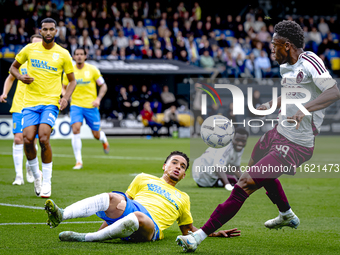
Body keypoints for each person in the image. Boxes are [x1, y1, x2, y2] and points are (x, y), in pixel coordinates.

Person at [176, 20, 340, 252]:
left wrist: (305, 110)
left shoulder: (310, 61)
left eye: (274, 45)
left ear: (287, 45)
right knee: (253, 169)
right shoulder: (286, 68)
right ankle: (286, 214)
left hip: (297, 144)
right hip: (278, 133)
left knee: (244, 184)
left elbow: (333, 91)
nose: (271, 49)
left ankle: (198, 237)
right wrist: (272, 104)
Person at [44, 151, 241, 242]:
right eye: (174, 163)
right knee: (113, 197)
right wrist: (107, 222)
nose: (178, 167)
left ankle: (88, 238)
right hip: (130, 212)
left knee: (138, 218)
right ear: (164, 166)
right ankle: (62, 214)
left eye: (182, 167)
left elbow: (187, 230)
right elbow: (122, 204)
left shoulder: (183, 197)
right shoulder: (143, 178)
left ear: (183, 175)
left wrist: (212, 233)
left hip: (149, 226)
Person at [9, 18, 77, 198]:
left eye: (51, 29)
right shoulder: (29, 49)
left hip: (50, 102)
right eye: (45, 29)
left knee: (44, 138)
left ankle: (47, 182)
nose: (48, 32)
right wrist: (21, 78)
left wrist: (66, 98)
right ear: (40, 31)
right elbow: (13, 68)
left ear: (56, 31)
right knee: (28, 139)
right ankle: (36, 176)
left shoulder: (63, 54)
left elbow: (72, 81)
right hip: (30, 103)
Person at [0, 34, 43, 185]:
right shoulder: (21, 61)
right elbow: (10, 77)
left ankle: (29, 166)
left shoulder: (45, 64)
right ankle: (18, 176)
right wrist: (5, 93)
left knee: (31, 141)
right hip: (20, 105)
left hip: (37, 106)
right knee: (18, 139)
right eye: (33, 44)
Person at [62, 47, 110, 170]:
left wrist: (98, 99)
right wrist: (66, 97)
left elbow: (103, 86)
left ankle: (103, 138)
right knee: (76, 129)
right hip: (76, 105)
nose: (79, 56)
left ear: (85, 56)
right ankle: (79, 161)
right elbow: (63, 87)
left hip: (91, 106)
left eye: (81, 54)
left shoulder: (92, 69)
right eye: (76, 54)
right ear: (73, 57)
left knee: (96, 134)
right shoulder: (69, 71)